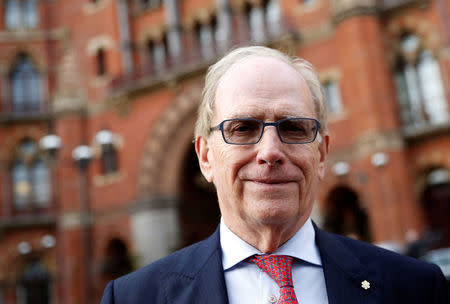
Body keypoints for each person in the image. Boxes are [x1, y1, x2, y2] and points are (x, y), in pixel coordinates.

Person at [100, 46, 448, 303]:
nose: (270, 152)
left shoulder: (416, 288)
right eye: (242, 128)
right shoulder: (134, 298)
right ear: (206, 157)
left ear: (322, 153)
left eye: (294, 128)